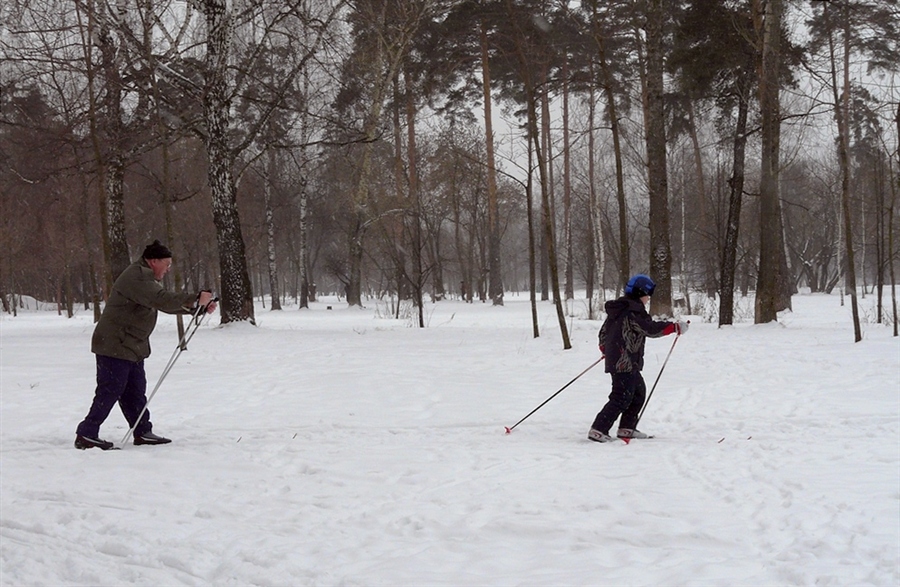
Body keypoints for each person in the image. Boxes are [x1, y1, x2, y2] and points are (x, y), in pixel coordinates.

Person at [74, 240, 217, 450]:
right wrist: (194, 298)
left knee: (135, 390)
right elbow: (160, 299)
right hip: (115, 342)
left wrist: (198, 307)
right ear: (153, 261)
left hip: (131, 344)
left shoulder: (146, 277)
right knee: (111, 389)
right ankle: (87, 433)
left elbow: (160, 301)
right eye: (166, 264)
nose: (168, 270)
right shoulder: (137, 276)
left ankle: (142, 432)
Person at [588, 274, 688, 443]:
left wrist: (605, 348)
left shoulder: (621, 309)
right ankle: (598, 429)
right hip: (623, 362)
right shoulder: (632, 310)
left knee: (638, 393)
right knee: (621, 396)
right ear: (640, 293)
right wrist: (674, 327)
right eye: (647, 295)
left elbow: (604, 332)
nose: (648, 299)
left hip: (626, 360)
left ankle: (627, 428)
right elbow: (648, 328)